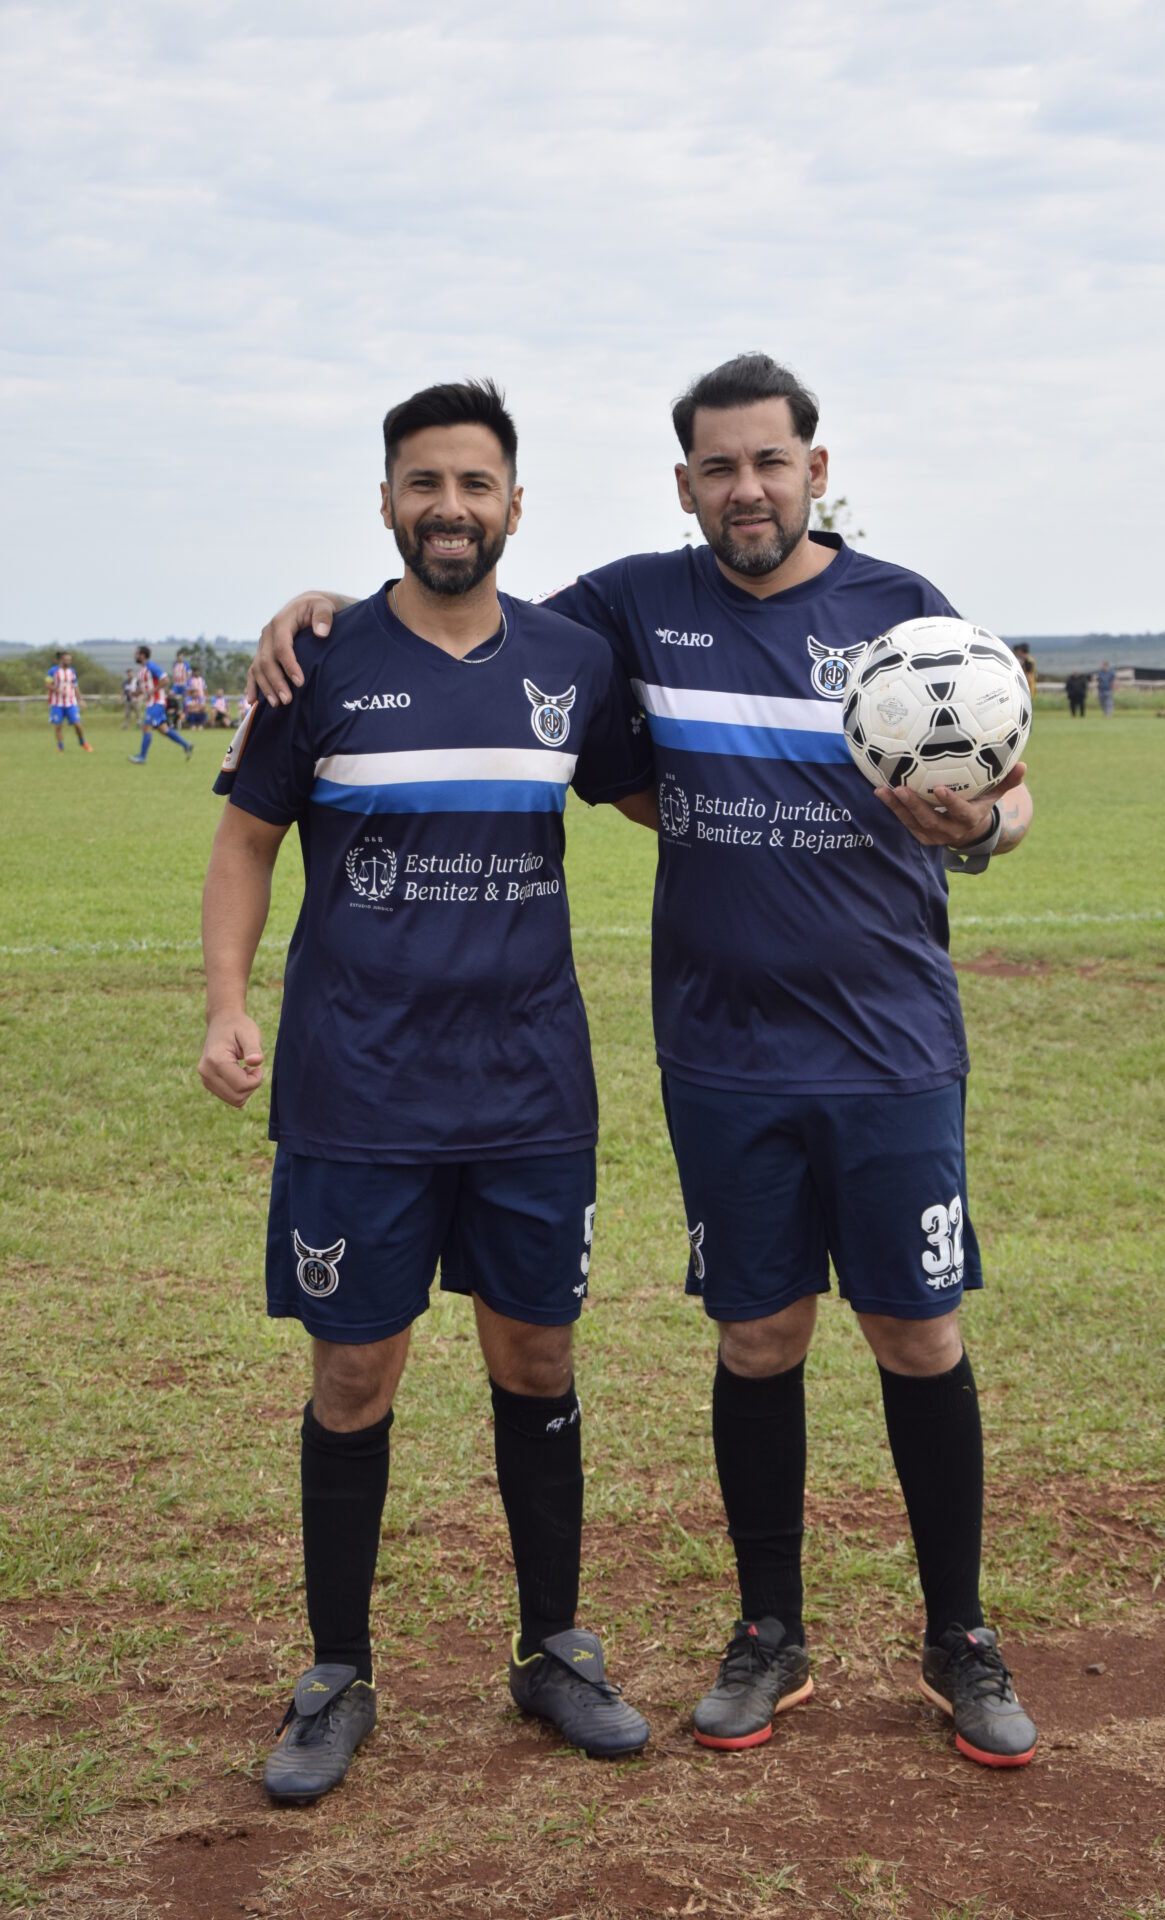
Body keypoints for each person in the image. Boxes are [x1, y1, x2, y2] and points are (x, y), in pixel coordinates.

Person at [248, 352, 1039, 1770]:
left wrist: (981, 828)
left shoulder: (902, 609)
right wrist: (316, 611)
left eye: (770, 461)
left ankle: (961, 1640)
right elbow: (457, 615)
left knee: (918, 1333)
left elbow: (1008, 788)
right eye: (717, 467)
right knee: (758, 1338)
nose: (747, 489)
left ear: (813, 469)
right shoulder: (626, 606)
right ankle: (768, 1632)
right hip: (722, 1052)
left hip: (892, 1045)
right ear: (685, 485)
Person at [200, 379, 654, 1804]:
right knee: (353, 1374)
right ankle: (337, 1671)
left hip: (530, 1089)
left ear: (515, 504)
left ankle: (552, 1649)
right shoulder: (318, 663)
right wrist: (227, 1004)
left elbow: (660, 798)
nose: (449, 507)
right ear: (387, 501)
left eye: (473, 483)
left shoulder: (574, 661)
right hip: (359, 1091)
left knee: (539, 1364)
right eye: (423, 483)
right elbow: (246, 841)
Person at [129, 646, 193, 764]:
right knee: (163, 729)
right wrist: (135, 693)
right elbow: (144, 688)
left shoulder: (151, 667)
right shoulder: (142, 670)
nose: (135, 656)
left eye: (137, 653)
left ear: (143, 655)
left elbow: (165, 680)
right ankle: (186, 745)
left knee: (146, 726)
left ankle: (142, 757)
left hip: (157, 702)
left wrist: (153, 691)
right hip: (151, 703)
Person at [46, 651, 92, 752]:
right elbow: (48, 684)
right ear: (61, 660)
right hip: (57, 704)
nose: (69, 661)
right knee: (58, 726)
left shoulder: (72, 671)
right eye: (67, 659)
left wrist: (80, 700)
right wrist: (58, 690)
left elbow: (75, 686)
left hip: (71, 703)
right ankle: (60, 747)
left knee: (77, 724)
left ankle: (83, 742)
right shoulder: (52, 671)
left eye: (69, 659)